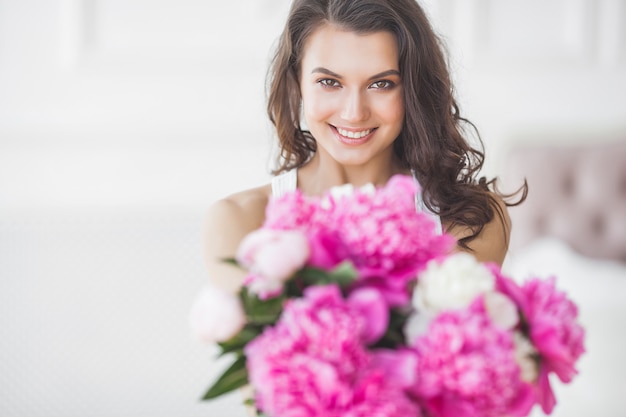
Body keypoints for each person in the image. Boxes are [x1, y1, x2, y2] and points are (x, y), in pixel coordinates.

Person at [203, 0, 527, 296]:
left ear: (413, 89)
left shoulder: (470, 222)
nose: (354, 113)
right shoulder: (240, 221)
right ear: (296, 82)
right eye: (329, 82)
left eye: (381, 84)